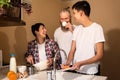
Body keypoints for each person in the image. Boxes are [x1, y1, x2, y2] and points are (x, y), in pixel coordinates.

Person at [66, 1, 105, 75]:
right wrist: (67, 63)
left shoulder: (97, 28)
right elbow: (72, 51)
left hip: (90, 71)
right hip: (77, 71)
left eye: (74, 13)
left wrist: (81, 63)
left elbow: (100, 55)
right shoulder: (77, 30)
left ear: (81, 13)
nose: (73, 16)